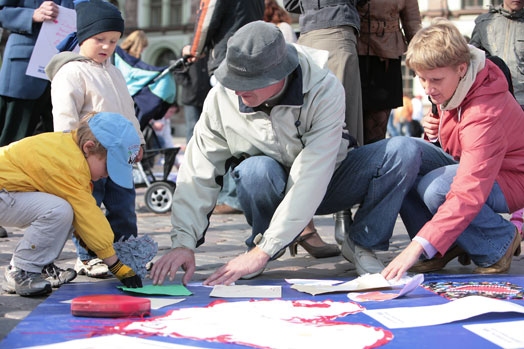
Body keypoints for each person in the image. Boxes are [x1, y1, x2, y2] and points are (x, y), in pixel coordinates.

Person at [149, 21, 422, 286]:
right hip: (273, 184)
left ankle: (362, 243)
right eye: (233, 78)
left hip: (330, 181)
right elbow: (198, 168)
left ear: (280, 73)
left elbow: (312, 175)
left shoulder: (324, 89)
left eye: (248, 81)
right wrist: (183, 243)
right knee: (256, 169)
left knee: (403, 150)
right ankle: (261, 243)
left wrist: (264, 251)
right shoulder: (222, 97)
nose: (236, 89)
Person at [381, 18, 524, 282]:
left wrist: (415, 247)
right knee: (403, 155)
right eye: (421, 78)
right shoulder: (457, 83)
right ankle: (442, 247)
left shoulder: (484, 111)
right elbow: (457, 148)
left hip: (513, 177)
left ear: (461, 68)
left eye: (434, 79)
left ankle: (498, 244)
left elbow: (468, 188)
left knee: (439, 189)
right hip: (479, 167)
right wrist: (432, 134)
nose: (427, 88)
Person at [45, 0, 145, 279]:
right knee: (89, 207)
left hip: (119, 156)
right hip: (88, 157)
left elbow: (129, 111)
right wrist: (70, 153)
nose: (106, 46)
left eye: (113, 41)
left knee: (124, 205)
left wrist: (138, 141)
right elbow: (64, 116)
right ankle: (88, 257)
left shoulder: (114, 72)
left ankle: (125, 251)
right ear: (83, 36)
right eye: (99, 39)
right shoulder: (71, 72)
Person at [1, 112, 143, 296]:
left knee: (67, 209)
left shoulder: (68, 148)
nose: (108, 175)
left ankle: (40, 265)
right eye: (109, 167)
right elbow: (89, 218)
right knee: (60, 209)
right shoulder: (70, 165)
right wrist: (117, 267)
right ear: (89, 147)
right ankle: (22, 270)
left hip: (7, 191)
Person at [283, 0, 364, 246]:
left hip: (308, 31)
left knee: (304, 123)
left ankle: (301, 223)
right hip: (337, 27)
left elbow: (289, 3)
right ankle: (342, 216)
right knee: (343, 122)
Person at [0, 0, 75, 240]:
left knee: (62, 152)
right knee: (7, 146)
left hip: (66, 72)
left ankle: (55, 219)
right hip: (23, 72)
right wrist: (31, 14)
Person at [183, 0, 265, 215]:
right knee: (245, 130)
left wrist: (193, 50)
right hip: (254, 58)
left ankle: (231, 197)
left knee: (227, 132)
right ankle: (240, 194)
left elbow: (206, 19)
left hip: (228, 59)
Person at [470, 0, 524, 238]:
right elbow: (471, 62)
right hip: (492, 105)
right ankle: (482, 221)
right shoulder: (483, 23)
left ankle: (519, 219)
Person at [357, 0, 421, 144]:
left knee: (377, 128)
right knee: (349, 122)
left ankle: (374, 163)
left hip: (387, 54)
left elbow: (412, 20)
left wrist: (419, 56)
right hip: (354, 50)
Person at [174, 55, 212, 143]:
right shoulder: (188, 51)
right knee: (192, 126)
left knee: (207, 127)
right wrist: (187, 84)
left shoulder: (209, 51)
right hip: (191, 98)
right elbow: (177, 70)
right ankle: (191, 154)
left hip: (206, 98)